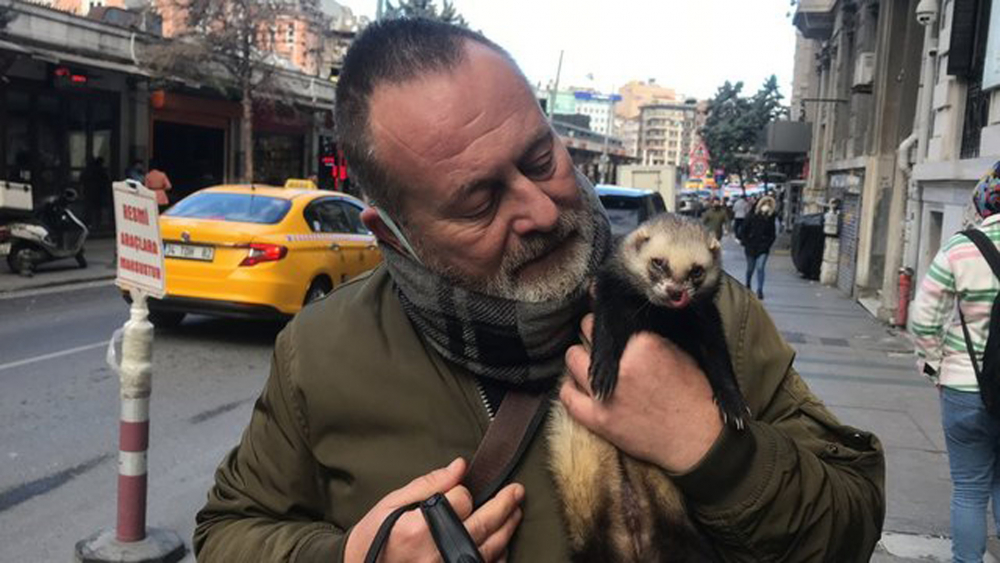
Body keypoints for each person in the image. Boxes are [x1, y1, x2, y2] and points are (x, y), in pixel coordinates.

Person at [194, 19, 884, 562]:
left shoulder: (709, 311)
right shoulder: (318, 355)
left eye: (539, 157)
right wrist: (351, 556)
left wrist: (717, 453)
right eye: (480, 200)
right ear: (394, 234)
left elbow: (850, 521)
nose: (544, 209)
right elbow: (229, 531)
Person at [910, 162, 1000, 563]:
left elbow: (925, 319)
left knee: (969, 488)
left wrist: (933, 367)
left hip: (966, 386)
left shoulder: (961, 247)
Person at [741, 195, 777, 300]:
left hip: (763, 247)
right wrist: (746, 242)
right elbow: (744, 230)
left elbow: (772, 234)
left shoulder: (771, 218)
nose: (766, 206)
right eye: (765, 203)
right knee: (750, 268)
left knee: (760, 267)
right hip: (751, 246)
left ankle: (760, 290)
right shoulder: (752, 215)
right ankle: (748, 284)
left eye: (769, 204)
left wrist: (768, 244)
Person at [80, 156, 110, 230]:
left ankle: (87, 223)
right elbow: (106, 181)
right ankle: (97, 224)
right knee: (97, 209)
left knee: (88, 209)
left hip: (88, 192)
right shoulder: (101, 171)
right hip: (98, 192)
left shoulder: (87, 170)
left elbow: (81, 180)